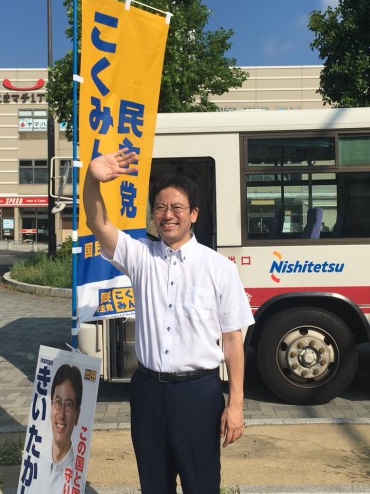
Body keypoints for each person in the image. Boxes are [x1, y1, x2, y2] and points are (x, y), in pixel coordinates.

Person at [83, 149, 255, 494]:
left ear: (193, 214)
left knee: (202, 484)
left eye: (177, 207)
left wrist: (235, 405)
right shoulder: (141, 256)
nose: (167, 215)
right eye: (160, 207)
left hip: (198, 393)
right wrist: (91, 180)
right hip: (147, 391)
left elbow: (233, 340)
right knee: (154, 485)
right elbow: (97, 223)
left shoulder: (218, 268)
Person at [46, 363, 83, 493]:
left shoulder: (76, 474)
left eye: (68, 405)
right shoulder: (35, 462)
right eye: (57, 403)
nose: (61, 414)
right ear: (51, 407)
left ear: (77, 414)